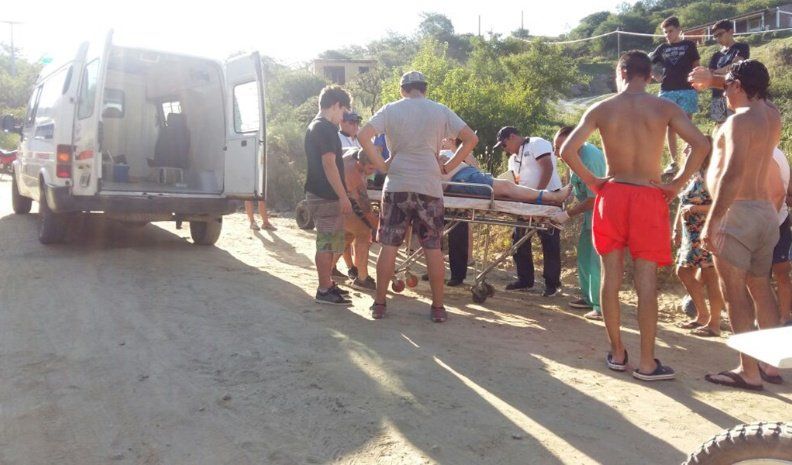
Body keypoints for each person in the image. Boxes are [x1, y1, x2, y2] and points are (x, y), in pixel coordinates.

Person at [560, 50, 710, 382]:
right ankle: (646, 362)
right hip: (648, 195)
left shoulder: (601, 108)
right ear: (648, 75)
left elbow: (567, 150)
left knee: (609, 279)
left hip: (611, 194)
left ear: (622, 72)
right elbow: (700, 144)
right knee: (645, 282)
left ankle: (616, 353)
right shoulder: (665, 108)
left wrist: (593, 181)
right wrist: (676, 185)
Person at [358, 70, 478, 322]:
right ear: (424, 89)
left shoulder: (391, 109)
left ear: (403, 90)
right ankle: (438, 308)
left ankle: (379, 304)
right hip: (429, 186)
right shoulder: (440, 110)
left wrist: (381, 165)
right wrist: (449, 165)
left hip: (397, 183)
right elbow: (471, 138)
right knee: (432, 248)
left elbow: (362, 136)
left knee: (389, 245)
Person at [700, 60, 783, 390]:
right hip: (765, 213)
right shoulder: (771, 114)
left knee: (734, 294)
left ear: (737, 86)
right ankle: (771, 366)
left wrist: (712, 220)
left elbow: (731, 175)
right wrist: (718, 81)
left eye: (728, 86)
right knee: (762, 288)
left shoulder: (739, 121)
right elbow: (749, 89)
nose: (725, 93)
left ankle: (748, 371)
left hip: (738, 214)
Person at [496, 126, 563, 296]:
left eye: (504, 145)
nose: (505, 149)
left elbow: (547, 168)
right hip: (525, 202)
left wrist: (537, 196)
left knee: (549, 240)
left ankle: (552, 284)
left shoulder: (536, 143)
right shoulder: (513, 159)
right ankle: (525, 279)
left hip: (548, 198)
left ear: (512, 137)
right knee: (518, 238)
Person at [304, 85, 355, 305]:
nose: (344, 118)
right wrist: (343, 196)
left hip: (326, 193)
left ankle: (328, 283)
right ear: (336, 105)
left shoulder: (322, 127)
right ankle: (324, 289)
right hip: (324, 194)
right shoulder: (323, 128)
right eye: (344, 112)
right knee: (326, 241)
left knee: (333, 239)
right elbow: (328, 163)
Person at [552, 126, 606, 321]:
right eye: (555, 146)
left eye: (559, 147)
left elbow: (595, 198)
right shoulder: (574, 155)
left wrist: (568, 214)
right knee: (584, 257)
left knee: (596, 261)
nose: (556, 152)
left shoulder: (590, 158)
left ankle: (601, 306)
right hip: (589, 217)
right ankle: (588, 297)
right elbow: (576, 185)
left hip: (601, 214)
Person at [672, 140, 724, 337]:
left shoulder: (712, 174)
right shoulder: (690, 174)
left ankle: (714, 323)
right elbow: (681, 202)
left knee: (711, 276)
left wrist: (695, 209)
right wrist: (676, 228)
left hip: (706, 232)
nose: (685, 150)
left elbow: (721, 205)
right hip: (689, 234)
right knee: (684, 271)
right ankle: (702, 315)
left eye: (690, 147)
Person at [650, 16, 701, 174]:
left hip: (687, 89)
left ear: (679, 30)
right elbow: (649, 63)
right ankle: (673, 162)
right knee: (669, 126)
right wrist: (656, 77)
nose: (668, 34)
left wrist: (696, 82)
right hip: (667, 90)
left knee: (687, 125)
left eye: (670, 31)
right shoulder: (662, 48)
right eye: (665, 32)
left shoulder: (689, 45)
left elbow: (696, 65)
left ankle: (690, 158)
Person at [341, 148, 378, 291]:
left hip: (340, 200)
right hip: (334, 203)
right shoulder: (352, 171)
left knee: (348, 234)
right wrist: (377, 227)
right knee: (363, 232)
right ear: (360, 163)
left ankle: (331, 268)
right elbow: (365, 208)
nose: (372, 172)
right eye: (370, 168)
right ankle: (362, 278)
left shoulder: (357, 154)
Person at [707, 19, 749, 123]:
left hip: (735, 95)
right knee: (719, 128)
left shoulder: (741, 47)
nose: (718, 38)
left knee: (737, 127)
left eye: (720, 34)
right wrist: (720, 72)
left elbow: (736, 66)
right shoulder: (715, 55)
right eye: (715, 36)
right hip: (717, 95)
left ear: (731, 31)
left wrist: (716, 72)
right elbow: (710, 75)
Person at [770, 147, 792, 329]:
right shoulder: (779, 153)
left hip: (768, 222)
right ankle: (784, 318)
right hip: (780, 220)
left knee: (758, 276)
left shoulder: (763, 152)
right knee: (782, 273)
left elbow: (780, 193)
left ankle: (772, 319)